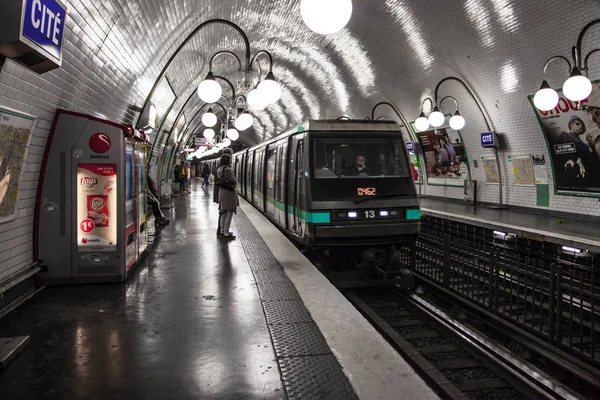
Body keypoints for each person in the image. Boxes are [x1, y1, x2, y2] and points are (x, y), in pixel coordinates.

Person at [216, 153, 238, 240]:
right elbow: (234, 181)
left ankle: (222, 231)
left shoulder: (219, 169)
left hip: (222, 192)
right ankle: (226, 233)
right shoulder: (227, 170)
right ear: (228, 161)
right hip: (228, 193)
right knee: (229, 213)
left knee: (223, 213)